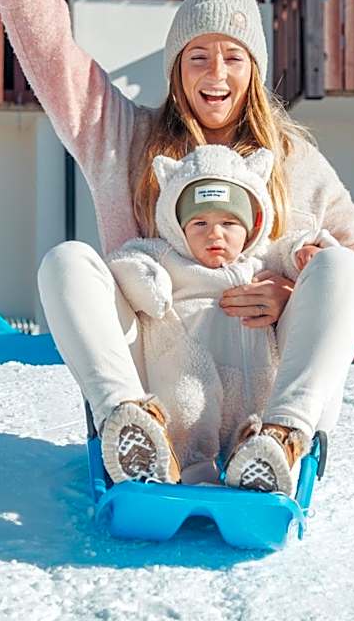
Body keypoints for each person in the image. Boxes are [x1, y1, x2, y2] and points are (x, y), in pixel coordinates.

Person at [0, 0, 354, 495]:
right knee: (65, 262)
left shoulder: (293, 162)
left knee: (339, 265)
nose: (215, 73)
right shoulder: (131, 140)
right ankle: (128, 423)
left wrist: (295, 296)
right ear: (175, 68)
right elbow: (56, 60)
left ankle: (284, 440)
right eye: (197, 55)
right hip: (160, 372)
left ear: (253, 70)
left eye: (232, 56)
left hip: (262, 382)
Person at [105, 143, 340, 495]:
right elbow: (129, 261)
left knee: (253, 423)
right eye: (199, 222)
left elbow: (295, 251)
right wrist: (146, 279)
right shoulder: (169, 257)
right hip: (184, 380)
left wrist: (305, 253)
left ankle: (257, 457)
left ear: (251, 226)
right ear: (177, 224)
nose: (214, 234)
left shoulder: (261, 262)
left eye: (229, 222)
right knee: (188, 405)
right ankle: (166, 460)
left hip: (251, 398)